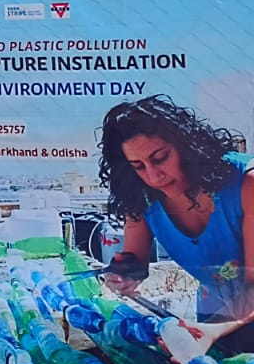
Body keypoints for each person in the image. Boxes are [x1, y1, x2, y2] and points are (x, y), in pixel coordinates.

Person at [98, 96, 254, 347]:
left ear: (187, 147)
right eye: (138, 166)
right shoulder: (140, 197)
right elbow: (134, 259)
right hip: (214, 321)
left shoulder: (247, 184)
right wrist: (123, 274)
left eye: (160, 158)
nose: (153, 176)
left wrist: (213, 331)